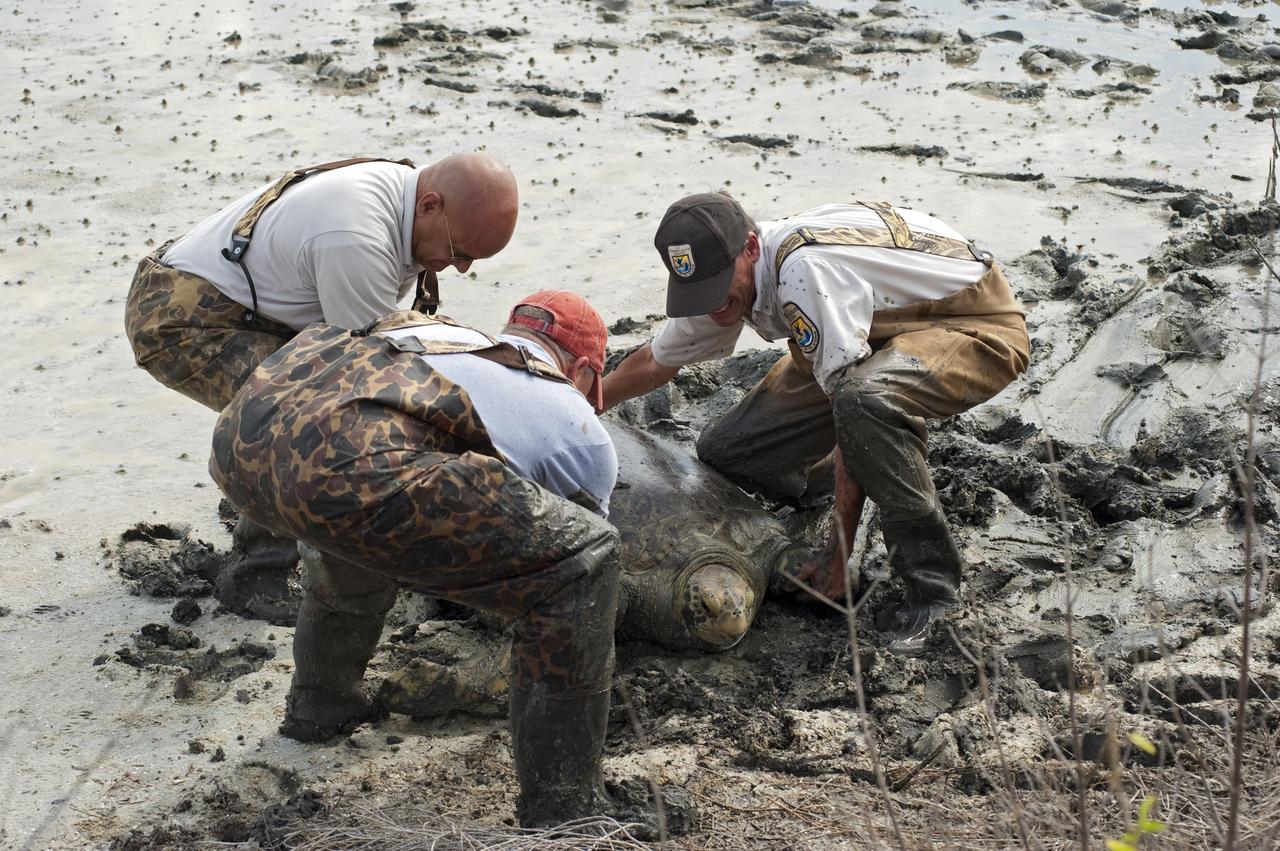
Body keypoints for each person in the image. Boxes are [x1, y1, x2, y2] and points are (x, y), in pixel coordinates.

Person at [209, 291, 625, 827]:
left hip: (244, 441)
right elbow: (575, 550)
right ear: (588, 371)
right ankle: (566, 808)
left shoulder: (445, 342)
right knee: (589, 564)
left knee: (358, 513)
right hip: (354, 465)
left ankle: (322, 702)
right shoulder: (574, 422)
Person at [603, 193, 1030, 655]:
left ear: (750, 247)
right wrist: (580, 403)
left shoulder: (804, 274)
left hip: (969, 324)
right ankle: (847, 483)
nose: (713, 304)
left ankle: (933, 593)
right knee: (732, 451)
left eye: (719, 284)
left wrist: (837, 553)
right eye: (699, 291)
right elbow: (654, 361)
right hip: (863, 336)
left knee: (863, 402)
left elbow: (850, 402)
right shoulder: (728, 286)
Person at [124, 152, 519, 581]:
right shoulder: (356, 237)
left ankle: (280, 530)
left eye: (474, 260)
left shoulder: (405, 194)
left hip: (246, 305)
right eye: (459, 252)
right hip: (181, 319)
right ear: (429, 205)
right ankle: (255, 573)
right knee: (303, 416)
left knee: (320, 400)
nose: (461, 268)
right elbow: (365, 377)